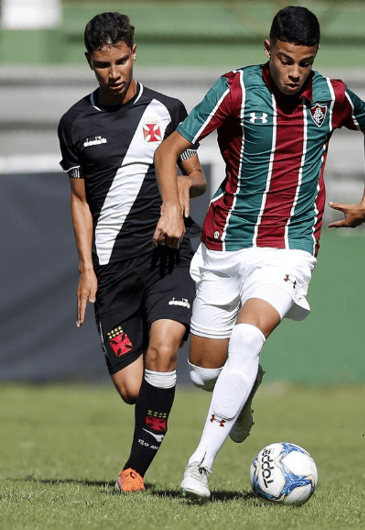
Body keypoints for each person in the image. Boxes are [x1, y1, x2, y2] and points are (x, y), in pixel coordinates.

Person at [153, 5, 365, 501]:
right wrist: (173, 207)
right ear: (268, 50)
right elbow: (169, 150)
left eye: (305, 62)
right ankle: (246, 389)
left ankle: (199, 465)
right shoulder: (235, 89)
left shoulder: (330, 95)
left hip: (288, 248)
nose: (296, 72)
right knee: (203, 373)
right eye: (286, 61)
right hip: (223, 245)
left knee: (247, 339)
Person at [57, 12, 206, 493]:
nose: (115, 72)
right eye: (104, 64)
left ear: (134, 52)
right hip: (114, 270)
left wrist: (175, 199)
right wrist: (86, 269)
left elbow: (197, 176)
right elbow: (81, 202)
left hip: (168, 256)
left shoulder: (167, 110)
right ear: (90, 62)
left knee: (164, 350)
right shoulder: (75, 123)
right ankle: (160, 410)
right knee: (133, 389)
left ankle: (133, 472)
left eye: (122, 60)